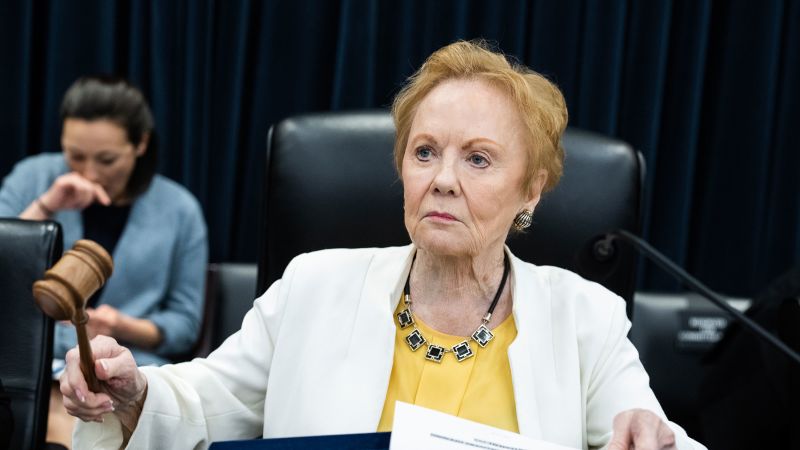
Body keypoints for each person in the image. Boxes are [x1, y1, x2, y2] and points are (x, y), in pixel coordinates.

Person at [60, 41, 704, 449]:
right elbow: (203, 404)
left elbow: (648, 432)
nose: (442, 179)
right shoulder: (313, 286)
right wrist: (132, 392)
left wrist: (656, 439)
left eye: (478, 159)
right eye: (424, 152)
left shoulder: (585, 319)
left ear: (531, 190)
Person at [0, 76, 208, 447]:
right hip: (33, 358)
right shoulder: (33, 177)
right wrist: (45, 207)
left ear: (140, 144)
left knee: (96, 414)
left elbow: (184, 323)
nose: (89, 173)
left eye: (106, 160)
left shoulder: (180, 210)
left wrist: (121, 325)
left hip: (123, 364)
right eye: (75, 156)